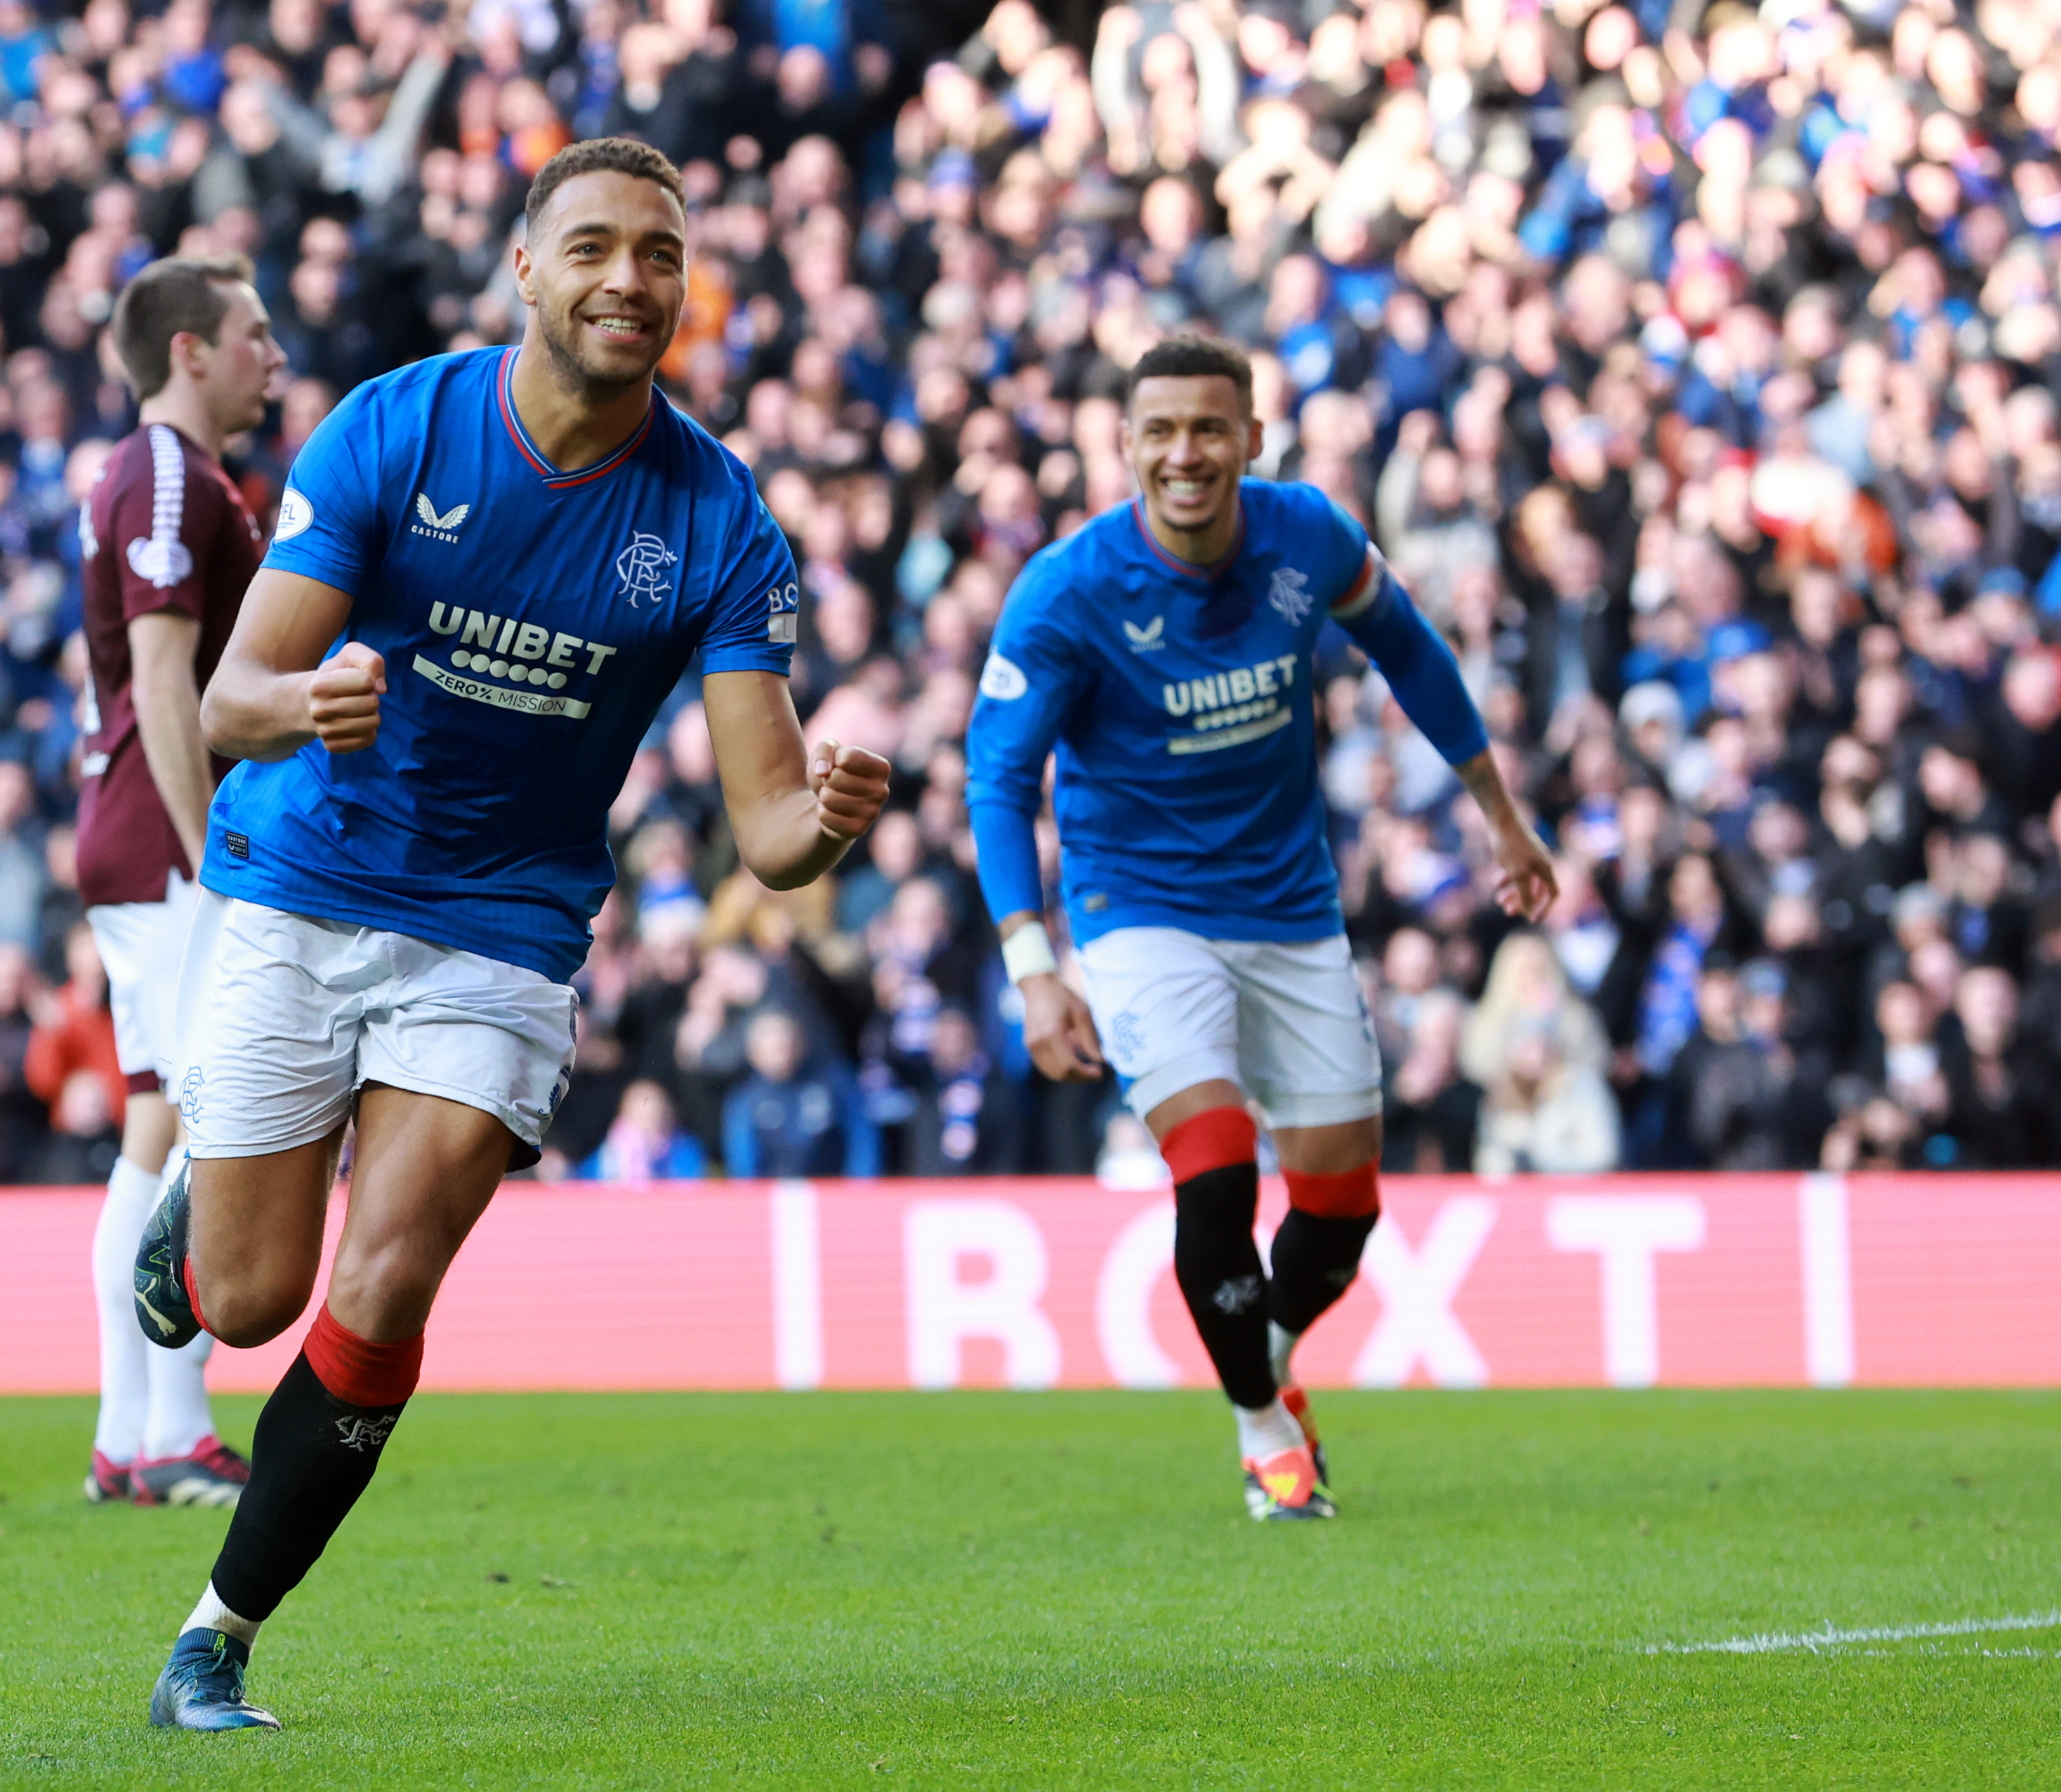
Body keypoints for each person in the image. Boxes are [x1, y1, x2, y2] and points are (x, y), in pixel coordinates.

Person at [129, 138, 888, 1730]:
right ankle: (202, 1199)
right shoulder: (396, 428)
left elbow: (763, 829)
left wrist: (821, 819)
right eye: (598, 247)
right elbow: (228, 696)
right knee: (249, 1299)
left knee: (389, 1281)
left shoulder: (719, 521)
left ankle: (218, 1631)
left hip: (500, 931)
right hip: (306, 881)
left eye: (661, 257)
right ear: (527, 271)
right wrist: (303, 700)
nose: (632, 279)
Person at [964, 336, 1555, 1523]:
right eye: (1161, 432)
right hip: (1141, 913)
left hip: (1290, 910)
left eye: (1209, 429)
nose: (1186, 453)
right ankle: (1262, 1433)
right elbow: (996, 781)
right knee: (1217, 1161)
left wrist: (1502, 814)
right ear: (1125, 446)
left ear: (1252, 440)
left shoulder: (1309, 537)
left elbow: (1410, 651)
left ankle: (1267, 1360)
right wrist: (1034, 970)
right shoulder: (1068, 592)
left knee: (1343, 1215)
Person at [75, 253, 286, 1511]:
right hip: (168, 838)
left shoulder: (187, 478)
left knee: (162, 1123)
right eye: (253, 334)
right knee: (215, 1115)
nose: (272, 355)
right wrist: (208, 847)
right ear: (188, 351)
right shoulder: (165, 471)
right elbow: (161, 673)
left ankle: (131, 1432)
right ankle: (172, 1424)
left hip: (141, 827)